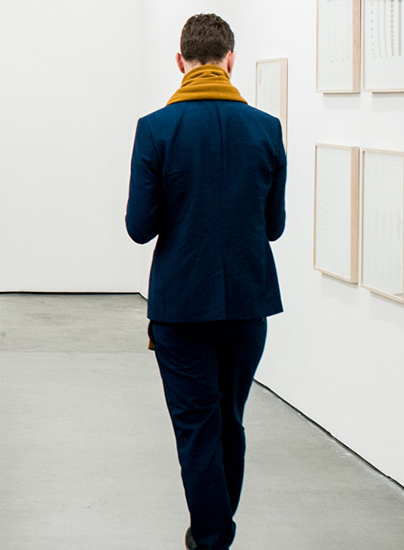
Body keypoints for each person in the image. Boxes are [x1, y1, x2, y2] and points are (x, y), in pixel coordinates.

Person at [125, 13, 286, 550]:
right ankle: (213, 534)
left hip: (181, 306)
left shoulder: (156, 128)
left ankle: (212, 539)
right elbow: (274, 226)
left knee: (197, 427)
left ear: (181, 61)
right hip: (247, 303)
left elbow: (139, 227)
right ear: (230, 60)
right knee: (229, 422)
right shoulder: (266, 128)